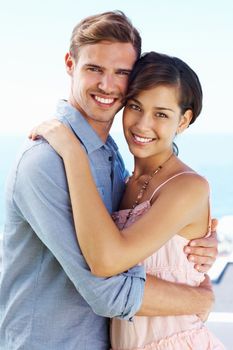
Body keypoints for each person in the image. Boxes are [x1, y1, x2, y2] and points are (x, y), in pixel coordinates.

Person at [0, 11, 217, 350]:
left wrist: (192, 245)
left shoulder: (110, 157)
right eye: (94, 69)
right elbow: (108, 289)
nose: (107, 84)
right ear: (70, 64)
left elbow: (134, 241)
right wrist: (199, 299)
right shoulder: (45, 162)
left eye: (122, 73)